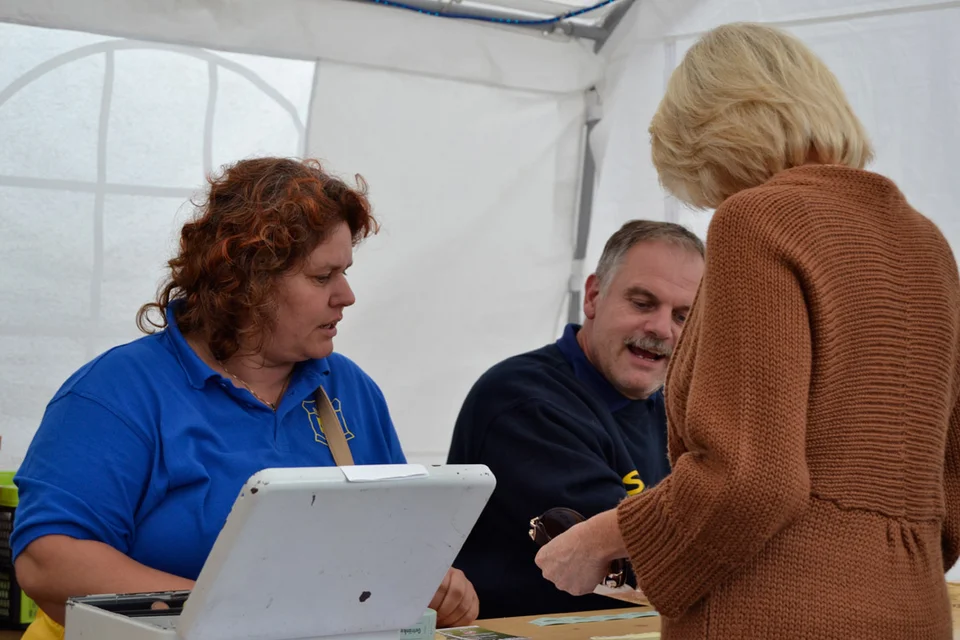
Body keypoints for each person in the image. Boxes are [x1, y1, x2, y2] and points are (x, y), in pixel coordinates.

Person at [534, 22, 960, 640]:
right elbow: (951, 479)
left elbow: (750, 479)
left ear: (709, 133)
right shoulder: (928, 245)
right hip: (916, 611)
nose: (712, 200)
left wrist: (601, 537)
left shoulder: (758, 220)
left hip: (773, 613)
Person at [11, 157, 478, 640]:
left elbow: (396, 543)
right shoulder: (117, 391)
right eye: (323, 277)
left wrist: (432, 583)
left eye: (346, 271)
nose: (347, 295)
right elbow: (50, 561)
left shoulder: (349, 391)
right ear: (247, 283)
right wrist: (228, 618)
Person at [447, 220, 704, 618]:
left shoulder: (677, 407)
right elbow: (641, 559)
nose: (660, 328)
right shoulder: (524, 401)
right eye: (642, 303)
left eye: (683, 317)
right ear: (593, 297)